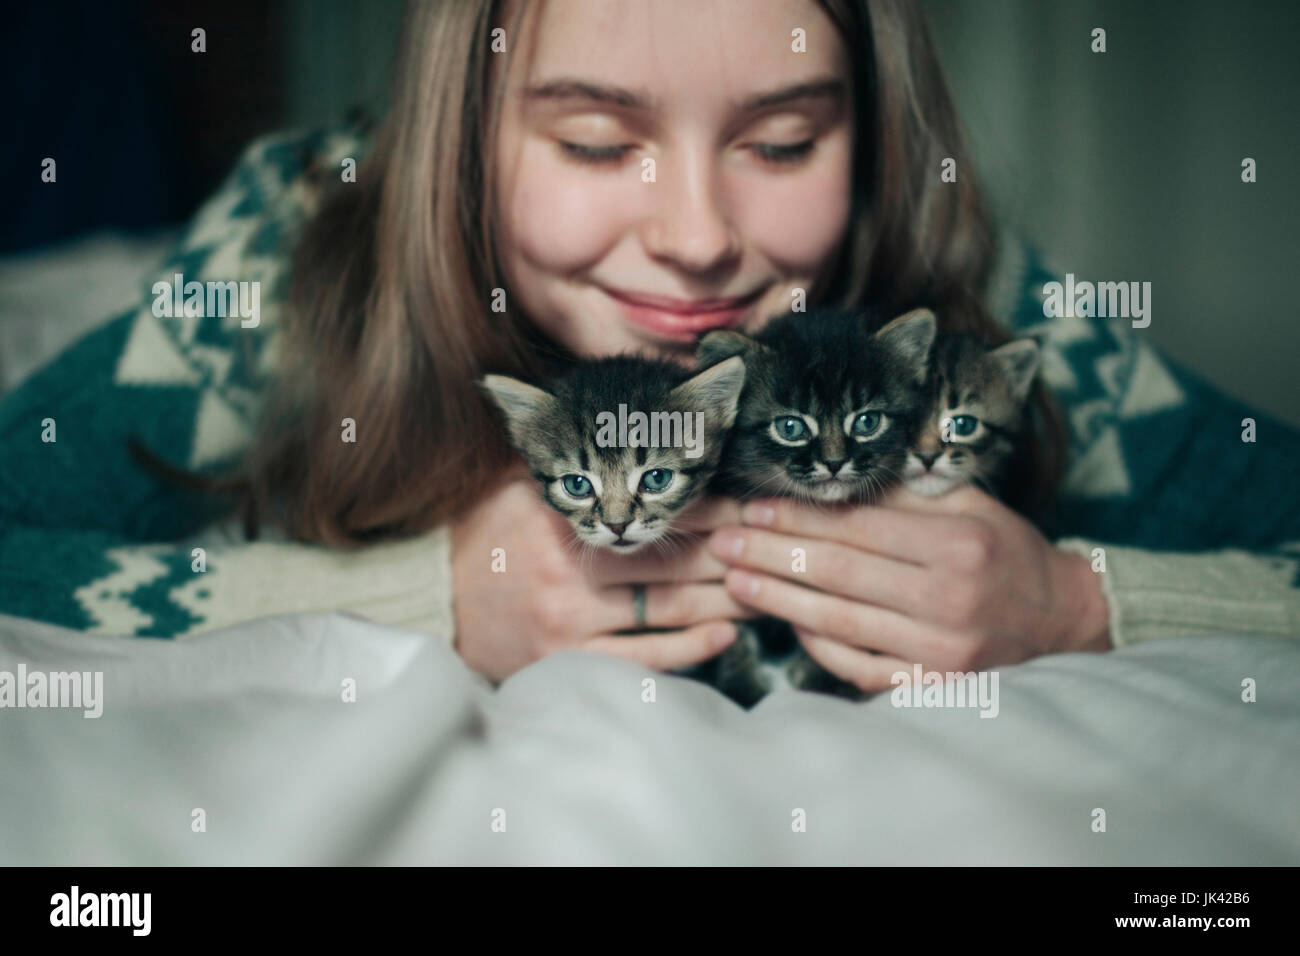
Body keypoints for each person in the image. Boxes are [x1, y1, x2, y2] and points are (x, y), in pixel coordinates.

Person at [1, 0, 1296, 694]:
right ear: (463, 138)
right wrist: (419, 602)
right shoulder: (285, 260)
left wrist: (1077, 607)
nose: (696, 239)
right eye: (593, 141)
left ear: (873, 141)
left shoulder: (957, 297)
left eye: (783, 142)